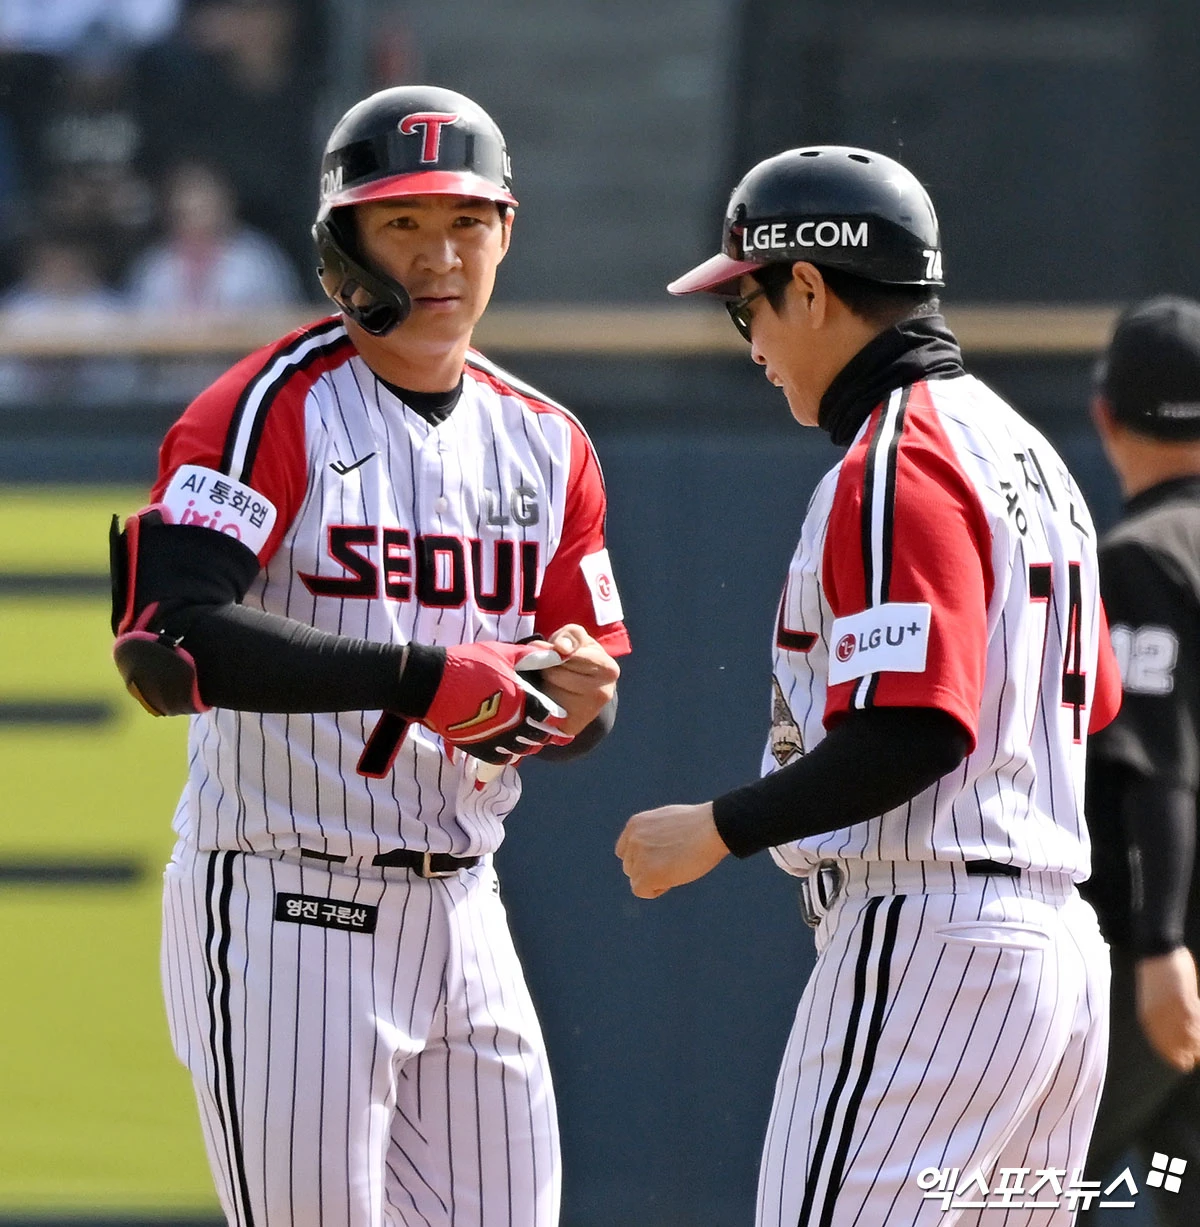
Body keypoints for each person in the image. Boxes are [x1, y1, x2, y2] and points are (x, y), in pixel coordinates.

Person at [109, 85, 629, 1227]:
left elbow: (585, 709)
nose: (441, 256)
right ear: (343, 243)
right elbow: (165, 640)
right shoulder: (268, 408)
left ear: (506, 231)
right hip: (289, 897)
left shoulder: (548, 441)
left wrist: (570, 699)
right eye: (403, 223)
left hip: (467, 907)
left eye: (467, 221)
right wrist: (418, 679)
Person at [616, 146, 1122, 1225]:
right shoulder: (1030, 456)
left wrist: (719, 827)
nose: (749, 340)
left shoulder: (899, 458)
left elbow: (914, 730)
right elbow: (1099, 710)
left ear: (808, 286)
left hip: (933, 938)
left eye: (747, 304)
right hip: (1057, 960)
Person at [1077, 297, 1200, 1226]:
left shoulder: (1139, 557)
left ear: (1105, 415)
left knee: (1012, 1188)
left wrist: (1159, 942)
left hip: (1155, 961)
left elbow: (1157, 761)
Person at [126, 160, 301, 310]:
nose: (194, 215)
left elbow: (285, 323)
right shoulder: (156, 265)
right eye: (186, 209)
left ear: (224, 203)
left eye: (202, 206)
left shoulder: (256, 259)